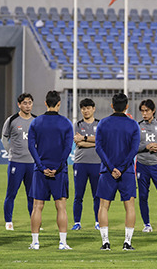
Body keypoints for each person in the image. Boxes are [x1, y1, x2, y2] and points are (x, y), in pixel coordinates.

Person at [27, 90, 73, 250]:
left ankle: (35, 242)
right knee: (61, 206)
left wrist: (41, 167)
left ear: (46, 103)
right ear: (59, 104)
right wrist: (58, 167)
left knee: (37, 206)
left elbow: (31, 146)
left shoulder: (36, 122)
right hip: (59, 170)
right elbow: (68, 148)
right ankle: (62, 242)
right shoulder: (66, 123)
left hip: (40, 170)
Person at [95, 93, 140, 251]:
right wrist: (121, 168)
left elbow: (98, 147)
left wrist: (111, 167)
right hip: (126, 171)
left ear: (112, 106)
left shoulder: (103, 123)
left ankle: (105, 242)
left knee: (103, 206)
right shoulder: (133, 125)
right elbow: (134, 149)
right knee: (130, 206)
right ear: (127, 106)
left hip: (107, 171)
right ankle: (127, 243)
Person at [2, 93, 36, 231]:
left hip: (32, 163)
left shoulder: (36, 120)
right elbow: (4, 138)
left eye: (29, 103)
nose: (27, 106)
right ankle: (8, 222)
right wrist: (10, 151)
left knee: (32, 195)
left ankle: (34, 220)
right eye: (25, 103)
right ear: (19, 105)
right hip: (16, 162)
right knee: (11, 194)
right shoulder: (12, 120)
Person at [137, 99, 157, 233]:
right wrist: (146, 147)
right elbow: (133, 147)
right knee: (143, 196)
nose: (144, 114)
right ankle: (147, 224)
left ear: (153, 111)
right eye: (142, 111)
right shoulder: (137, 126)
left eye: (147, 111)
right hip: (142, 165)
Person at [71, 98, 101, 231]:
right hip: (80, 163)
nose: (86, 111)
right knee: (78, 195)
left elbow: (102, 141)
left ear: (93, 109)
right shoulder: (77, 124)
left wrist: (84, 139)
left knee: (97, 195)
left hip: (97, 163)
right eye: (83, 108)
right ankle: (77, 222)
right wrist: (94, 142)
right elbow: (78, 143)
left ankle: (98, 222)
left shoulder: (100, 124)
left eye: (88, 108)